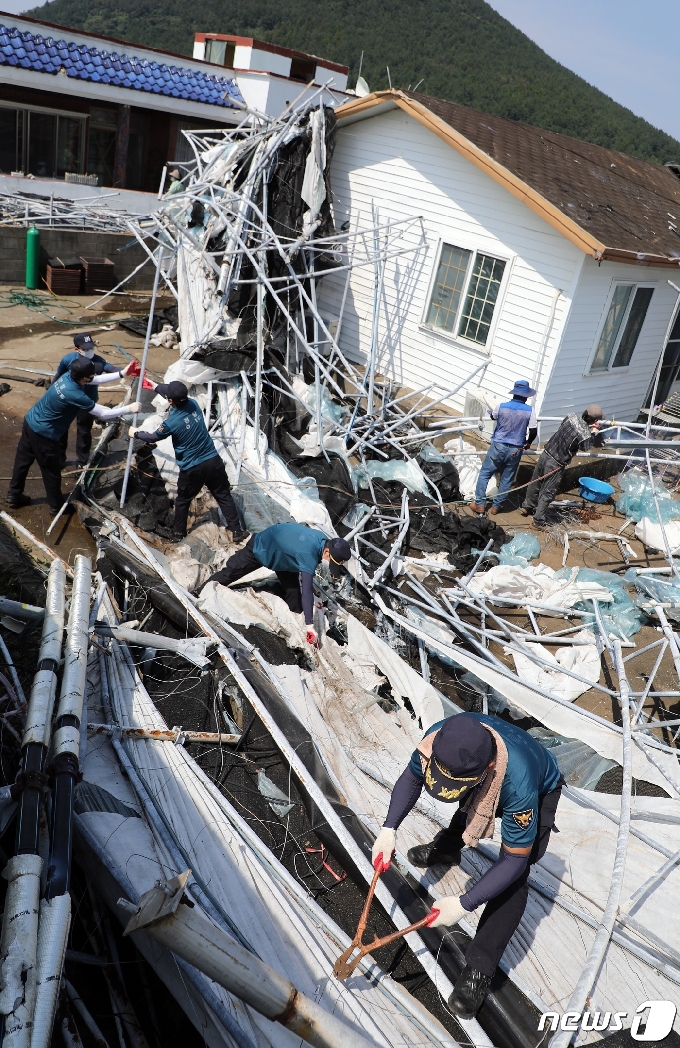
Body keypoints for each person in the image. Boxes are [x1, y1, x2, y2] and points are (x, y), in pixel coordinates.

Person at [371, 712, 562, 1019]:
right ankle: (447, 848)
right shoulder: (440, 736)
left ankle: (480, 969)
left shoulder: (519, 784)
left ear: (488, 767)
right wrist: (388, 828)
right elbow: (413, 777)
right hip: (485, 773)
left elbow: (514, 860)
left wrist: (465, 903)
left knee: (515, 878)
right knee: (470, 800)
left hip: (539, 787)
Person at [7, 356, 139, 513]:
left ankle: (14, 494)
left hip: (31, 421)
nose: (93, 377)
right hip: (44, 433)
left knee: (22, 461)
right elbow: (103, 413)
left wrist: (122, 373)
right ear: (84, 378)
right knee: (51, 470)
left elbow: (95, 380)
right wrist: (128, 409)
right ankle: (56, 506)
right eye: (91, 375)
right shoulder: (74, 394)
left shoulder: (68, 376)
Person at [130, 379, 248, 544]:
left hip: (193, 469)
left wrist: (136, 433)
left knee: (183, 500)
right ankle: (237, 531)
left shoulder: (171, 423)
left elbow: (152, 437)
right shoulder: (193, 404)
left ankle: (178, 534)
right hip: (213, 461)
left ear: (171, 401)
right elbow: (171, 395)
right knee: (223, 495)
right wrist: (155, 386)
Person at [200, 524, 352, 646]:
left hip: (285, 561)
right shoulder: (309, 555)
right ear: (327, 551)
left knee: (294, 597)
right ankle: (197, 594)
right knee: (227, 575)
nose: (327, 562)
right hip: (261, 548)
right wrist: (310, 627)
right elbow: (306, 592)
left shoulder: (322, 539)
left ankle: (296, 625)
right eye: (330, 560)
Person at [521, 404, 605, 527]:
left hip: (546, 453)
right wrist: (593, 432)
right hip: (556, 462)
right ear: (595, 420)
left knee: (535, 482)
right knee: (548, 491)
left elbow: (567, 428)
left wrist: (587, 426)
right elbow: (585, 447)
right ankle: (538, 521)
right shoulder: (585, 434)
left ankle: (527, 507)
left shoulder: (570, 417)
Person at [471, 380, 537, 515]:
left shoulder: (501, 406)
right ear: (526, 396)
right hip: (516, 449)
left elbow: (493, 416)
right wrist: (528, 443)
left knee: (485, 473)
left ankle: (480, 505)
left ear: (514, 393)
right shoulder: (530, 411)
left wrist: (492, 414)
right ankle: (496, 507)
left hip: (498, 445)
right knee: (506, 479)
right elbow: (533, 431)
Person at [54, 332, 120, 467]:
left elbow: (112, 369)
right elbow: (58, 375)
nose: (90, 350)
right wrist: (52, 392)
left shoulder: (99, 362)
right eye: (86, 348)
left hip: (87, 402)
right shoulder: (68, 360)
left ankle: (82, 461)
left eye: (91, 347)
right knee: (61, 429)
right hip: (68, 400)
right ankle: (59, 460)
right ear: (77, 349)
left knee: (84, 431)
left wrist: (129, 370)